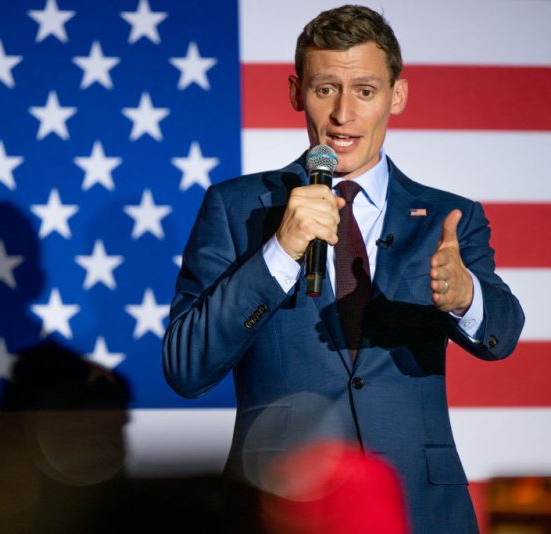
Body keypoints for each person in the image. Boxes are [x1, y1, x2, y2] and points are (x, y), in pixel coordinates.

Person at [162, 5, 525, 533]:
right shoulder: (235, 207)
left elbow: (504, 334)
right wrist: (279, 253)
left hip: (420, 509)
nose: (343, 115)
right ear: (295, 92)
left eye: (365, 90)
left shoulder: (449, 218)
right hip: (278, 506)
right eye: (325, 88)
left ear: (396, 96)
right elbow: (185, 367)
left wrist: (466, 294)